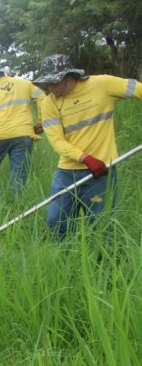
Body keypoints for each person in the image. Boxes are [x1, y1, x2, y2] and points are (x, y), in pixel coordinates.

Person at [34, 54, 142, 237]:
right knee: (56, 220)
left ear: (68, 76)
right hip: (67, 172)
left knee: (101, 223)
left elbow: (138, 89)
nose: (51, 88)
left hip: (101, 171)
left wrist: (93, 160)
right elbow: (57, 141)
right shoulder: (49, 103)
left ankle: (103, 260)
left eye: (54, 82)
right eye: (47, 84)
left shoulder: (103, 85)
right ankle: (62, 258)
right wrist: (84, 158)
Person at [0, 62, 43, 196]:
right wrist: (41, 122)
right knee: (19, 171)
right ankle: (16, 203)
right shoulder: (24, 84)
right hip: (24, 134)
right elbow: (42, 98)